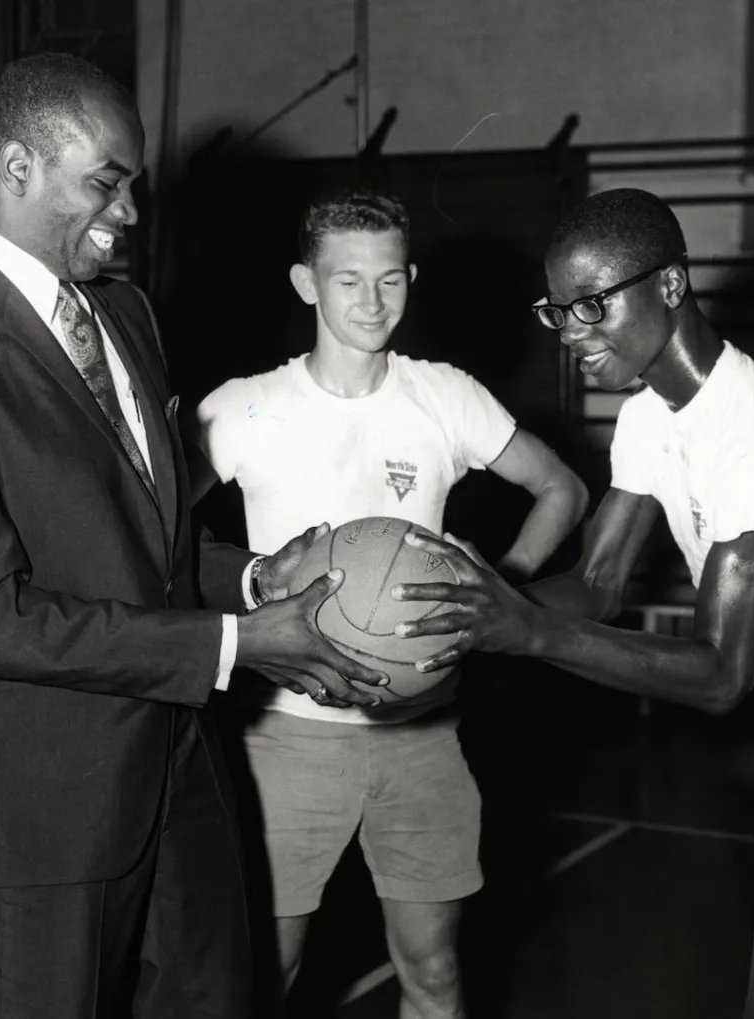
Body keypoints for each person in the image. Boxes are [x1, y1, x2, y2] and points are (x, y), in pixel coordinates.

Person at [0, 54, 389, 1019]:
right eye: (106, 182)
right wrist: (236, 645)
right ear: (17, 167)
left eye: (131, 184)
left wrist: (257, 582)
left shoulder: (126, 315)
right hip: (46, 800)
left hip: (182, 771)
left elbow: (149, 552)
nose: (129, 212)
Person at [392, 187, 754, 1019]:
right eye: (560, 311)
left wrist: (532, 633)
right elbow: (600, 581)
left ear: (671, 285)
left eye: (593, 305)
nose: (574, 334)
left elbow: (720, 674)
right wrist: (479, 609)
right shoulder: (651, 414)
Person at [194, 187, 588, 1018]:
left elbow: (562, 487)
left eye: (390, 280)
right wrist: (248, 585)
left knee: (436, 975)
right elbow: (153, 535)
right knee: (269, 975)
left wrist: (501, 584)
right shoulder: (242, 408)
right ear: (307, 283)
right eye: (347, 281)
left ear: (410, 276)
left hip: (423, 736)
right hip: (287, 738)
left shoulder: (443, 395)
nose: (372, 302)